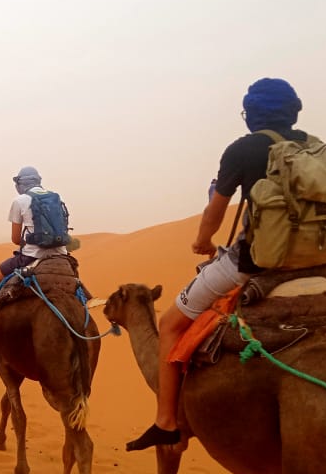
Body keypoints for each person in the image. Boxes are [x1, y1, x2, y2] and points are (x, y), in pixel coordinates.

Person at [127, 77, 309, 451]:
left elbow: (216, 210)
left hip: (253, 264)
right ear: (294, 111)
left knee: (170, 324)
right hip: (312, 266)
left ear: (250, 114)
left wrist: (202, 242)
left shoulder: (243, 150)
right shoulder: (313, 148)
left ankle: (166, 420)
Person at [0, 166, 68, 346]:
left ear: (21, 183)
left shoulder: (20, 201)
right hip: (61, 256)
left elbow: (15, 239)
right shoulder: (56, 198)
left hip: (31, 257)